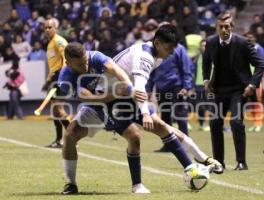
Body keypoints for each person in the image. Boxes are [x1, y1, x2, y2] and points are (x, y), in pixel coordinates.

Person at [60, 25, 222, 194]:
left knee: (161, 126)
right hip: (103, 102)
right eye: (169, 48)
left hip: (124, 95)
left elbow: (117, 70)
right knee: (131, 135)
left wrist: (128, 90)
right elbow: (88, 97)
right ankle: (76, 183)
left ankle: (197, 164)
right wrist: (139, 108)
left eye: (86, 60)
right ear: (158, 43)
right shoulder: (66, 78)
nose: (85, 65)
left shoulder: (98, 57)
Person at [202, 11, 264, 171]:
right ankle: (218, 163)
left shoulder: (243, 42)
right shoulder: (210, 42)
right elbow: (206, 62)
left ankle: (241, 162)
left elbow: (259, 64)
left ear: (232, 27)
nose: (224, 30)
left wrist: (252, 85)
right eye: (221, 27)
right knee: (215, 122)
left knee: (236, 122)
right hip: (219, 90)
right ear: (217, 27)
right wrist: (206, 79)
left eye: (227, 26)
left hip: (239, 90)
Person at [146, 42, 193, 152]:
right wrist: (149, 88)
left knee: (180, 115)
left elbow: (186, 67)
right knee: (165, 117)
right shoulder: (156, 50)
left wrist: (186, 86)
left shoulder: (179, 48)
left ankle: (185, 144)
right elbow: (152, 71)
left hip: (176, 86)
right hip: (161, 87)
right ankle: (168, 144)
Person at [43, 18, 70, 148]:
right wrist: (48, 79)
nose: (47, 30)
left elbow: (66, 59)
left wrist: (62, 77)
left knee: (58, 109)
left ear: (56, 28)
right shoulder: (50, 43)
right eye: (46, 28)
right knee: (55, 111)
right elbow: (53, 65)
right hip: (55, 78)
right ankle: (59, 140)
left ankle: (73, 137)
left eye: (50, 27)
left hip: (61, 78)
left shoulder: (59, 41)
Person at [245, 32, 264, 132]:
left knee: (257, 102)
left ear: (255, 38)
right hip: (248, 80)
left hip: (256, 80)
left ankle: (259, 123)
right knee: (251, 103)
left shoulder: (259, 49)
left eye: (251, 37)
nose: (249, 39)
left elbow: (261, 65)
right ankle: (254, 123)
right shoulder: (246, 49)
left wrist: (258, 78)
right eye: (248, 38)